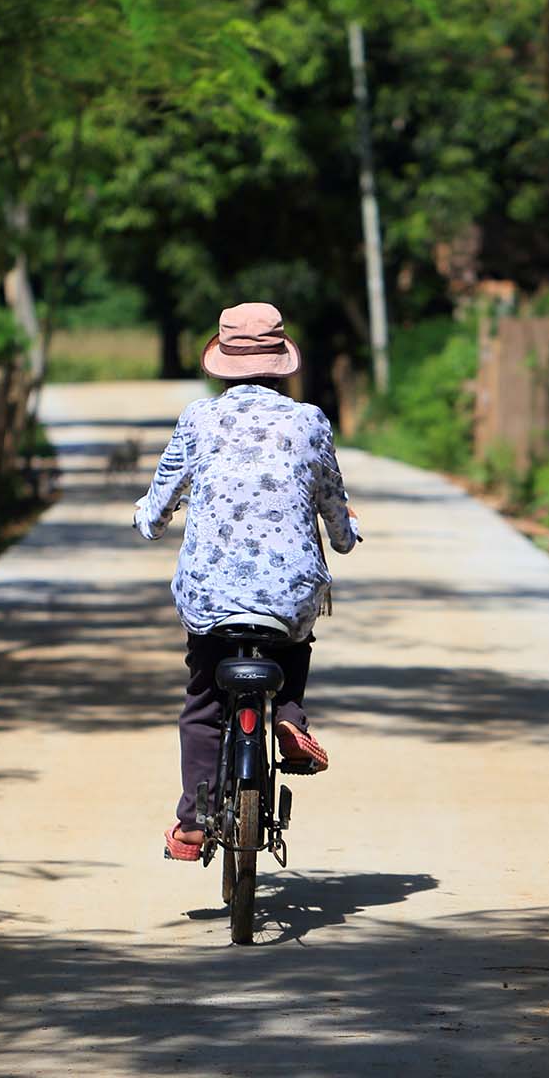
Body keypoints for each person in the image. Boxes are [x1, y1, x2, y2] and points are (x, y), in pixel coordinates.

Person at [133, 301, 361, 862]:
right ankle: (287, 713)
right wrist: (346, 535)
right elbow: (333, 504)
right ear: (281, 362)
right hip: (288, 595)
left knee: (205, 701)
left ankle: (190, 826)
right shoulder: (309, 421)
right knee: (295, 638)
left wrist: (149, 519)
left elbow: (163, 496)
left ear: (221, 361)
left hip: (211, 596)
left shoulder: (199, 419)